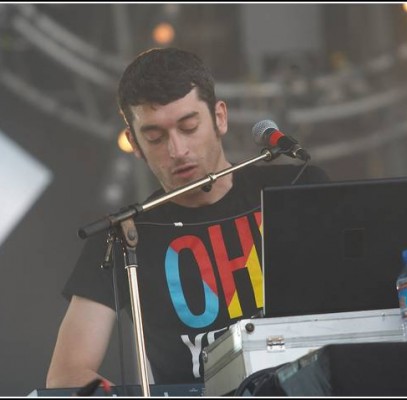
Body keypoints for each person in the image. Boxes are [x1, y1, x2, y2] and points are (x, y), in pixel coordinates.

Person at [46, 47, 329, 388]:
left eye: (189, 126)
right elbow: (67, 375)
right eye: (155, 137)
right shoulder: (122, 233)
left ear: (220, 117)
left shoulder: (298, 187)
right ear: (134, 143)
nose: (177, 150)